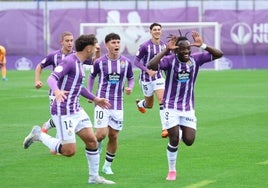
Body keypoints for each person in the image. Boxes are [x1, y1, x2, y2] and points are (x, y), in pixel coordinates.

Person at [23, 34, 115, 184]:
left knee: (92, 141)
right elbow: (51, 78)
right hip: (62, 111)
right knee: (69, 151)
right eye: (95, 46)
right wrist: (57, 91)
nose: (96, 49)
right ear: (88, 48)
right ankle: (39, 135)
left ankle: (94, 177)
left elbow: (78, 87)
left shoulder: (80, 62)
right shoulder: (69, 61)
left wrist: (95, 99)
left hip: (76, 109)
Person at [147, 31, 223, 181]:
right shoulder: (169, 61)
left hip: (188, 108)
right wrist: (167, 50)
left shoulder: (196, 59)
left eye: (188, 48)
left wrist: (202, 45)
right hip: (170, 106)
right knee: (174, 139)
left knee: (189, 140)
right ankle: (172, 171)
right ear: (177, 50)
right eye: (182, 48)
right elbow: (151, 65)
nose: (186, 51)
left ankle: (179, 129)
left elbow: (219, 54)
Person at [88, 33, 134, 175]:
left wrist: (130, 87)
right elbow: (91, 76)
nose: (116, 45)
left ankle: (107, 165)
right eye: (113, 42)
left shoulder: (126, 62)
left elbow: (131, 78)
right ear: (107, 45)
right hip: (102, 102)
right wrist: (91, 95)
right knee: (101, 134)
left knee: (113, 135)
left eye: (118, 42)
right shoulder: (99, 62)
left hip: (118, 104)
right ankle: (99, 142)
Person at [35, 31, 75, 138]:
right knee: (60, 116)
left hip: (70, 93)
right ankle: (59, 145)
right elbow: (40, 66)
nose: (70, 43)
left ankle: (46, 126)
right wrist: (37, 80)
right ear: (61, 42)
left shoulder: (76, 56)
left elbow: (93, 62)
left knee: (64, 116)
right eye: (67, 41)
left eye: (71, 40)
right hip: (55, 92)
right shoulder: (53, 55)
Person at [133, 22, 168, 138]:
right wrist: (147, 71)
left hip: (158, 77)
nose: (157, 31)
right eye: (155, 29)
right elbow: (136, 61)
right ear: (151, 32)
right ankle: (140, 103)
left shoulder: (164, 46)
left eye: (159, 29)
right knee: (149, 105)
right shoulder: (145, 46)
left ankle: (165, 128)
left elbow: (166, 62)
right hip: (146, 78)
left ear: (161, 31)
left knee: (162, 100)